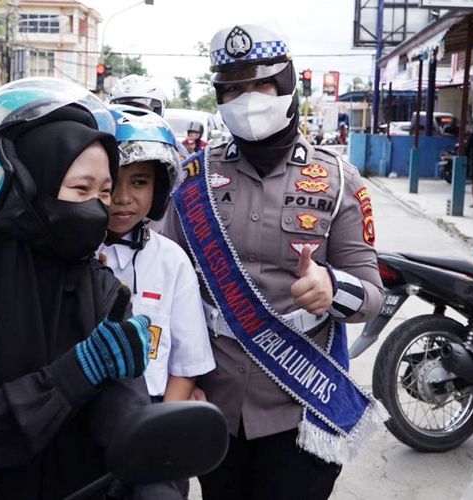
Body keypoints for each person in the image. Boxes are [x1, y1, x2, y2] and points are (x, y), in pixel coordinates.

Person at [0, 78, 180, 500]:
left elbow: (125, 409)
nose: (98, 208)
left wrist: (157, 480)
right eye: (80, 189)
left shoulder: (103, 287)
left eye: (103, 193)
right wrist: (75, 374)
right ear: (23, 188)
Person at [161, 24, 386, 500]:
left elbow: (371, 294)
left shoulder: (337, 180)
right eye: (233, 88)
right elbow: (165, 283)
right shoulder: (193, 179)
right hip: (213, 404)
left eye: (261, 84)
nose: (247, 99)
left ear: (287, 87)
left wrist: (332, 287)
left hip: (300, 404)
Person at [99, 105, 215, 403]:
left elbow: (186, 366)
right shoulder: (69, 253)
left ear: (159, 189)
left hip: (147, 409)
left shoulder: (171, 262)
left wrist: (159, 432)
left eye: (140, 181)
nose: (122, 197)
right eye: (112, 182)